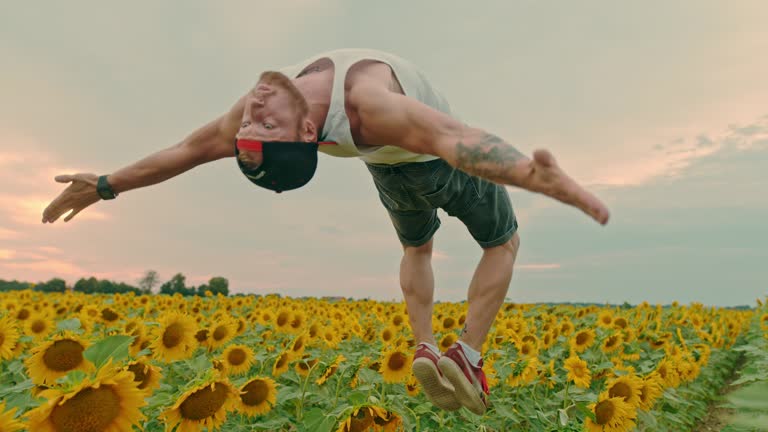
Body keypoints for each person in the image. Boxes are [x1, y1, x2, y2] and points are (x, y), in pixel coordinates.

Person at [41, 48, 610, 415]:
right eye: (260, 123)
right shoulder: (366, 103)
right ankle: (467, 355)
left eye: (255, 123)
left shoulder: (266, 110)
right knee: (502, 242)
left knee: (417, 245)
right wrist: (534, 177)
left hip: (389, 174)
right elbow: (453, 139)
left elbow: (188, 150)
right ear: (308, 130)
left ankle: (424, 344)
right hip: (430, 166)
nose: (253, 111)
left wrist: (109, 184)